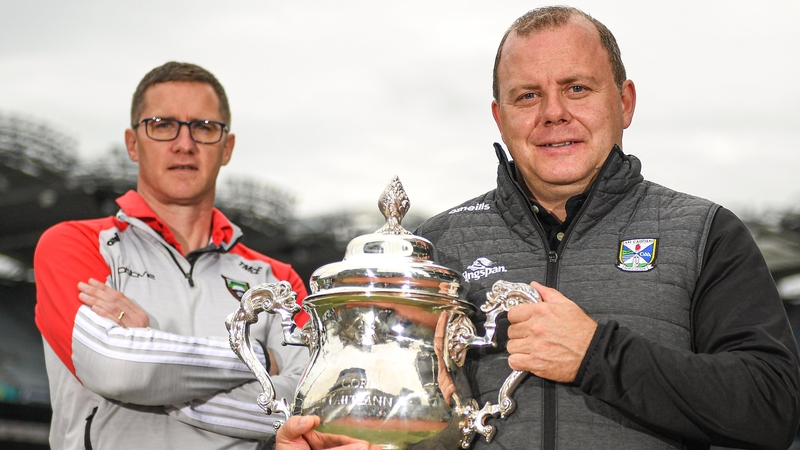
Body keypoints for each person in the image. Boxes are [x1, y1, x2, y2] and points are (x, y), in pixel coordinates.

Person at [412, 5, 800, 450]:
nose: (553, 113)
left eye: (576, 89)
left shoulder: (704, 232)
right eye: (528, 96)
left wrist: (596, 355)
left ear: (624, 102)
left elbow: (774, 408)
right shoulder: (436, 246)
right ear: (500, 118)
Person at [34, 62, 310, 449]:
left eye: (204, 127)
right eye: (162, 125)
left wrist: (151, 362)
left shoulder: (278, 279)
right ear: (133, 143)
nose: (184, 144)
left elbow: (303, 403)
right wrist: (261, 360)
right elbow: (116, 369)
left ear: (227, 147)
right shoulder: (74, 244)